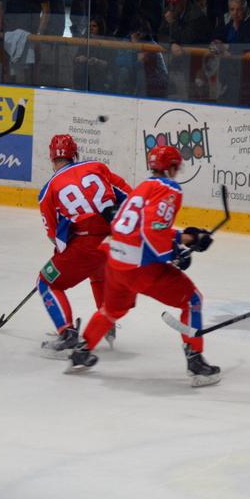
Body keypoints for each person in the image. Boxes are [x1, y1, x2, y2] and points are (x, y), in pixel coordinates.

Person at [67, 145, 221, 387]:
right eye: (175, 167)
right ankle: (196, 363)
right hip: (139, 268)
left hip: (115, 262)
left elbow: (129, 224)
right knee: (193, 300)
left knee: (112, 310)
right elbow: (153, 230)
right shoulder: (170, 189)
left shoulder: (142, 187)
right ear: (170, 167)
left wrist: (179, 242)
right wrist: (184, 243)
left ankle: (81, 350)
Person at [37, 135, 132, 355]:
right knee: (97, 272)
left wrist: (64, 253)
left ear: (52, 158)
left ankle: (66, 333)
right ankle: (105, 322)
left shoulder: (48, 190)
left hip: (85, 245)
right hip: (113, 241)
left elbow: (54, 235)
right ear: (75, 154)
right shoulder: (97, 167)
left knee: (46, 282)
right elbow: (130, 196)